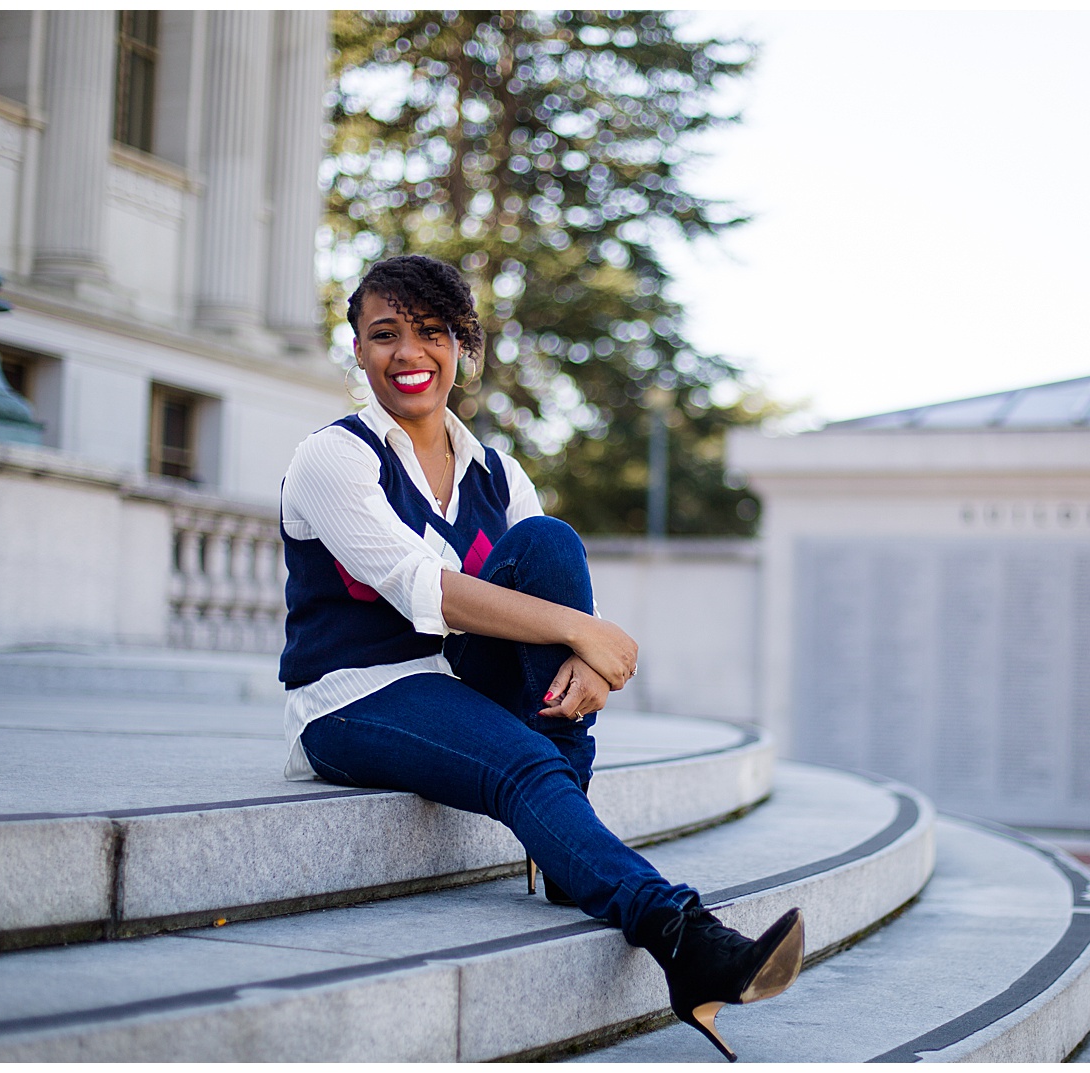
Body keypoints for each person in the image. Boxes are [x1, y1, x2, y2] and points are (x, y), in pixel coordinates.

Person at [278, 254, 802, 1061]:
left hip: (459, 680)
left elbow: (546, 590)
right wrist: (585, 632)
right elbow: (422, 587)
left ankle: (567, 854)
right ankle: (684, 938)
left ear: (461, 344)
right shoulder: (334, 457)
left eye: (431, 333)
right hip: (355, 696)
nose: (409, 354)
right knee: (523, 761)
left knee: (548, 540)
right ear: (357, 350)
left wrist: (583, 653)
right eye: (385, 335)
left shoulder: (495, 469)